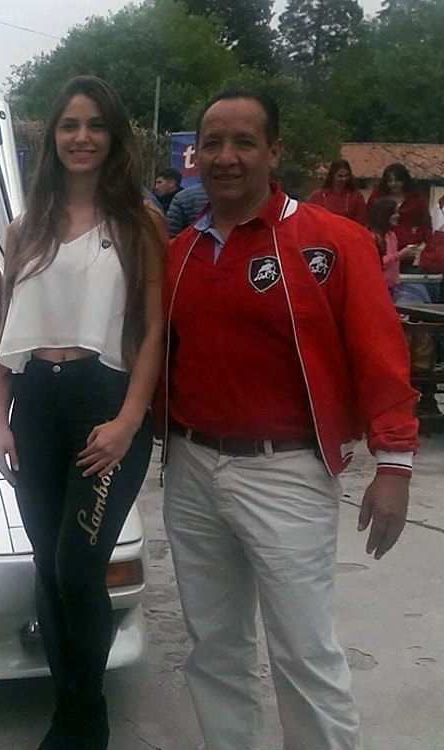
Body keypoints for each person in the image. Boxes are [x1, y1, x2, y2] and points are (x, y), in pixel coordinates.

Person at [161, 87, 419, 750]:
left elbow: (381, 356)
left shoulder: (332, 241)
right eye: (212, 143)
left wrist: (394, 465)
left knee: (303, 652)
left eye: (244, 142)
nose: (225, 156)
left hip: (287, 472)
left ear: (274, 151)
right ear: (196, 156)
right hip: (191, 466)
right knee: (214, 646)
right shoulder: (179, 253)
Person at [0, 75, 166, 750]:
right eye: (69, 125)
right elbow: (10, 324)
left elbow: (154, 329)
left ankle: (85, 723)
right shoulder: (25, 228)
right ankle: (69, 719)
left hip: (105, 404)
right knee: (47, 568)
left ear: (114, 136)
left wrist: (128, 421)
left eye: (95, 125)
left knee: (77, 568)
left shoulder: (139, 222)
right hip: (37, 404)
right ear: (52, 137)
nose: (82, 137)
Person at [368, 162, 432, 250]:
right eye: (390, 181)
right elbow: (369, 218)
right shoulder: (377, 196)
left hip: (408, 246)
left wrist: (419, 240)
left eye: (397, 180)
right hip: (381, 245)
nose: (393, 184)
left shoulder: (416, 199)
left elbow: (425, 224)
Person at [308, 157, 367, 225]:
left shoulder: (356, 196)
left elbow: (360, 221)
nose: (344, 179)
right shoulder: (318, 196)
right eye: (340, 176)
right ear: (332, 176)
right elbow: (310, 217)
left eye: (347, 175)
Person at [366, 197, 402, 297]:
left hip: (392, 287)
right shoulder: (371, 237)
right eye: (394, 213)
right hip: (377, 287)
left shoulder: (391, 235)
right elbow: (377, 263)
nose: (398, 216)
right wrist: (400, 255)